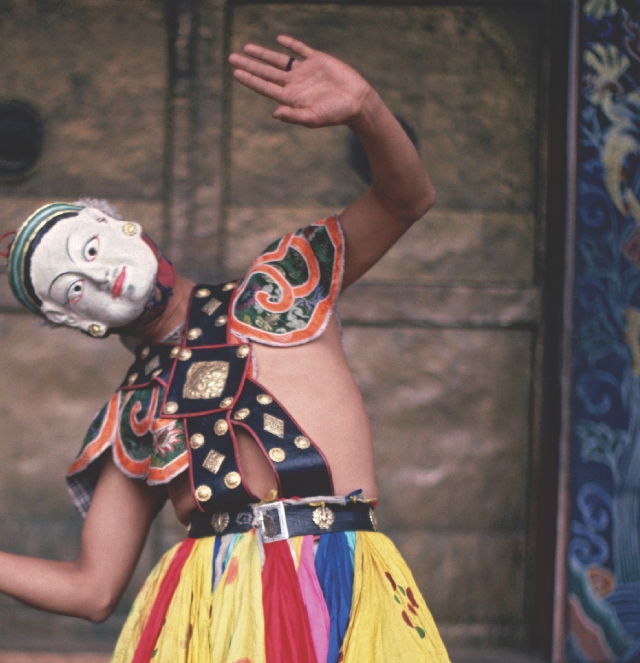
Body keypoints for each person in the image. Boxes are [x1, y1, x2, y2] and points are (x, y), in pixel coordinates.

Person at [0, 36, 449, 662]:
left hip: (347, 598)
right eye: (73, 289)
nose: (102, 279)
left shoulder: (287, 283)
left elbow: (407, 199)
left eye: (93, 251)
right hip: (212, 619)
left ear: (125, 229)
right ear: (78, 323)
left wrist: (367, 108)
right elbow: (92, 590)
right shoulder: (134, 414)